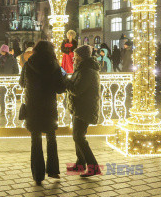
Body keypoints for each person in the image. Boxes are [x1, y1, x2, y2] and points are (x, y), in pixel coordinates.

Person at [19, 41, 65, 186]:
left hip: (33, 106)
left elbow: (22, 83)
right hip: (49, 106)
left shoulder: (28, 64)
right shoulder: (54, 65)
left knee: (36, 139)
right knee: (51, 138)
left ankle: (38, 174)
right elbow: (60, 88)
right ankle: (53, 170)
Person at [65, 45, 102, 178]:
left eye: (75, 57)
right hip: (80, 107)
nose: (73, 60)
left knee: (79, 137)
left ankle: (94, 167)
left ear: (81, 57)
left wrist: (66, 81)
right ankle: (80, 163)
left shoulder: (87, 71)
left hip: (85, 107)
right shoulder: (82, 69)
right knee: (77, 136)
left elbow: (77, 90)